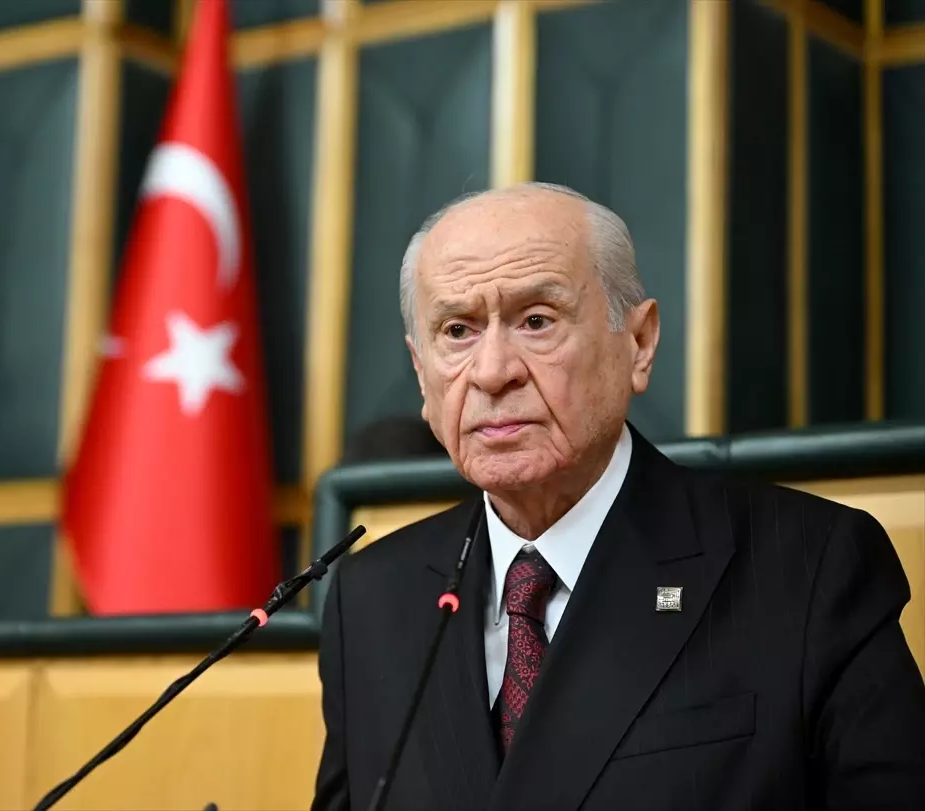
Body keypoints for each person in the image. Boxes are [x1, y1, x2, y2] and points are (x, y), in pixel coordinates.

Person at [311, 183, 925, 811]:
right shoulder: (371, 601)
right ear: (422, 374)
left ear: (639, 343)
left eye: (537, 321)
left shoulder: (808, 566)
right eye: (458, 330)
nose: (493, 371)